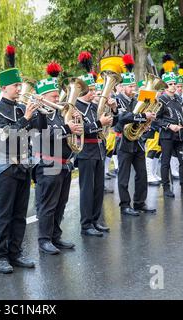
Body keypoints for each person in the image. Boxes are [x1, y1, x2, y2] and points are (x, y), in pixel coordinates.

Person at [0, 45, 46, 273]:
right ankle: (0, 255)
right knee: (4, 214)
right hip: (5, 166)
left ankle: (16, 252)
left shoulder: (23, 108)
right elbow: (5, 138)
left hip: (24, 165)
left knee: (20, 214)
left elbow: (39, 129)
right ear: (4, 87)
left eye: (20, 85)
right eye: (16, 85)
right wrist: (27, 117)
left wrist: (39, 111)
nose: (20, 88)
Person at [33, 62, 81, 254]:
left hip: (64, 163)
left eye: (56, 94)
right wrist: (69, 127)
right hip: (48, 164)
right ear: (43, 97)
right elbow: (45, 135)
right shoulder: (39, 114)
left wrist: (75, 121)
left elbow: (68, 133)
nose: (57, 97)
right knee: (48, 205)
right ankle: (44, 239)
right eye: (53, 96)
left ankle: (55, 236)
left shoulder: (61, 113)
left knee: (61, 203)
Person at [75, 51, 117, 237]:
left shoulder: (94, 106)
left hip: (99, 149)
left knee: (99, 188)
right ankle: (86, 224)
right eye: (91, 90)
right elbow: (80, 128)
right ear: (83, 91)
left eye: (94, 90)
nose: (95, 93)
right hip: (85, 151)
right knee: (87, 189)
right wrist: (100, 123)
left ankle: (96, 220)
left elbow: (113, 123)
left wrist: (113, 110)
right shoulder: (75, 106)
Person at [115, 61, 157, 216]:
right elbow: (123, 117)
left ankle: (140, 202)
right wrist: (142, 116)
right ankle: (125, 205)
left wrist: (146, 124)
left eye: (134, 86)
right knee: (124, 176)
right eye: (130, 86)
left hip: (137, 140)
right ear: (122, 87)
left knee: (142, 173)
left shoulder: (135, 100)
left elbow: (139, 118)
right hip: (123, 142)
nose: (133, 89)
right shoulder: (118, 100)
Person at [156, 72, 183, 198]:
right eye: (170, 84)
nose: (174, 86)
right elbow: (156, 119)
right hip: (167, 136)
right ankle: (166, 188)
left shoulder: (179, 99)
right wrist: (169, 126)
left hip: (179, 135)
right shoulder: (160, 100)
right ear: (164, 86)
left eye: (175, 84)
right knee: (165, 162)